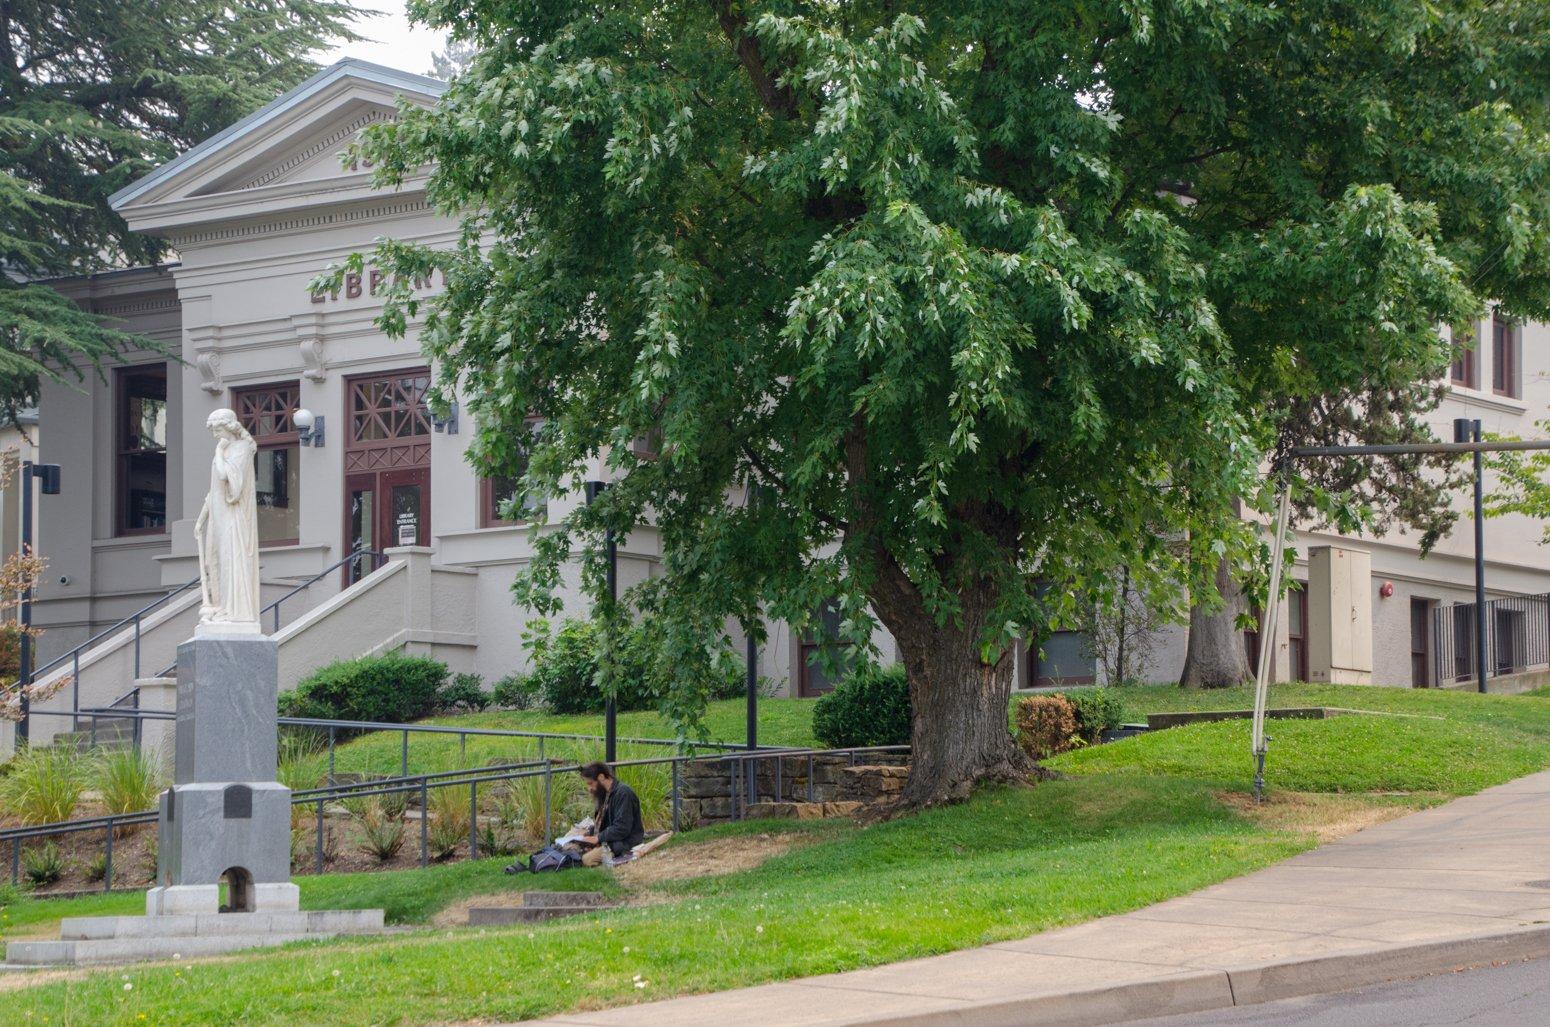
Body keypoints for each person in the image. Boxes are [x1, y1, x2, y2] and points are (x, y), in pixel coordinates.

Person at [576, 761, 643, 867]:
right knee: (572, 836)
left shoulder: (624, 793)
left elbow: (622, 828)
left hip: (624, 842)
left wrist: (598, 838)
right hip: (608, 840)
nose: (589, 789)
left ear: (601, 777)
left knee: (587, 859)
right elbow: (602, 825)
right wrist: (588, 834)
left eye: (590, 783)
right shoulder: (603, 793)